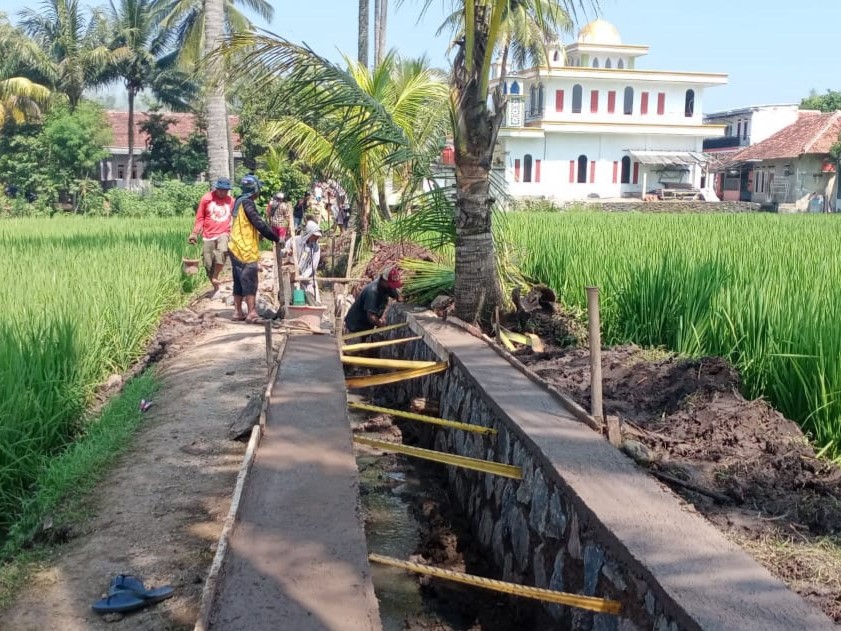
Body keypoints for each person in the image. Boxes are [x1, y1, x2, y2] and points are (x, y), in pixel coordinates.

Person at [228, 175, 280, 323]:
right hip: (245, 249)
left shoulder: (238, 201)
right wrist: (275, 237)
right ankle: (251, 312)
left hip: (234, 246)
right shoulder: (248, 203)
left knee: (238, 280)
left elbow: (244, 224)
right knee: (250, 280)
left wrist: (258, 235)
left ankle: (237, 312)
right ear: (254, 190)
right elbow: (258, 222)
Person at [188, 177, 233, 298]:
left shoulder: (231, 201)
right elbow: (200, 218)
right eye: (221, 190)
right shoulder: (207, 199)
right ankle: (216, 287)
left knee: (222, 250)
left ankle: (215, 276)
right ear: (216, 188)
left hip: (224, 232)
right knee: (208, 264)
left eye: (226, 190)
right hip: (208, 235)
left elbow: (236, 218)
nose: (223, 193)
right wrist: (194, 233)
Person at [344, 265, 404, 333]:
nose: (391, 287)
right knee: (357, 342)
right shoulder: (372, 292)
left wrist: (398, 297)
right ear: (383, 280)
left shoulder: (385, 286)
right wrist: (381, 326)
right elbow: (371, 316)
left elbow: (393, 292)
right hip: (355, 327)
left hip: (366, 327)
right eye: (390, 284)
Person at [283, 219, 322, 301]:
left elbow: (313, 266)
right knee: (294, 299)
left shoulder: (316, 248)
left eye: (317, 236)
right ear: (309, 233)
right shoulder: (295, 240)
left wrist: (303, 277)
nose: (316, 238)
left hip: (308, 278)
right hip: (293, 276)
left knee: (315, 301)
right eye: (314, 235)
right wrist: (287, 251)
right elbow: (283, 252)